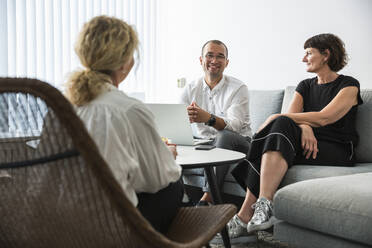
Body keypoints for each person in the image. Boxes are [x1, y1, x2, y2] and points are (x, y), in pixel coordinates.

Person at [227, 33, 363, 240]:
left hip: (337, 148)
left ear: (326, 55)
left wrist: (280, 116)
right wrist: (305, 127)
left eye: (309, 53)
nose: (303, 58)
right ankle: (263, 205)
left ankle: (246, 213)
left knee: (277, 124)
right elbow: (290, 120)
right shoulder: (305, 86)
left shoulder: (349, 85)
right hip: (303, 143)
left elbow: (325, 118)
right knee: (279, 129)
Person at [64, 15, 183, 234]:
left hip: (63, 221)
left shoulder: (61, 106)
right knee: (175, 180)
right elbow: (156, 180)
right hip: (112, 225)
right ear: (125, 61)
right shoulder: (128, 109)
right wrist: (167, 156)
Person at [180, 40, 252, 205]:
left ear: (226, 62)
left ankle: (208, 198)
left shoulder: (238, 88)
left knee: (224, 135)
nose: (214, 60)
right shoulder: (190, 88)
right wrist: (184, 118)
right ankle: (179, 197)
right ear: (201, 60)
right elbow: (178, 122)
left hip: (239, 143)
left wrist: (208, 118)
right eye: (209, 55)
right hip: (203, 143)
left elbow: (234, 127)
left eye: (220, 56)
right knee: (170, 142)